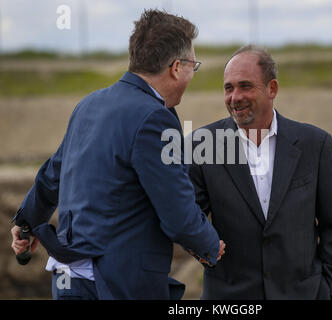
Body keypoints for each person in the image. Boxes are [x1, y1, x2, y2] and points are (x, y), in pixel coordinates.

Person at [10, 9, 225, 300]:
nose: (191, 74)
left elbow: (53, 174)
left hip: (68, 281)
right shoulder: (154, 118)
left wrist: (25, 223)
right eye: (193, 66)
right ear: (176, 67)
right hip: (118, 283)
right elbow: (176, 211)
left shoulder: (89, 104)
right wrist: (210, 244)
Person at [188, 45, 332, 299]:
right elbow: (187, 217)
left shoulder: (315, 145)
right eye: (228, 88)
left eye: (245, 86)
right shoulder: (202, 145)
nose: (235, 97)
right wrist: (203, 247)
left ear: (272, 88)